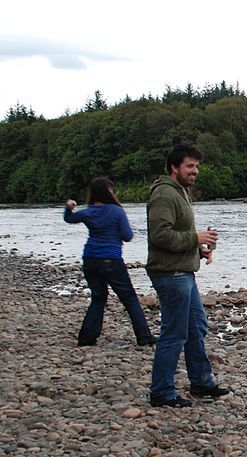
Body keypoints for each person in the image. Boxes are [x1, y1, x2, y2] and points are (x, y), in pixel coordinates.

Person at [146, 144, 230, 408]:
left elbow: (176, 236)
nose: (195, 171)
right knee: (174, 333)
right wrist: (196, 238)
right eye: (189, 166)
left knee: (196, 327)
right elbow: (159, 235)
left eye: (197, 166)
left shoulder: (180, 193)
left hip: (183, 272)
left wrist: (199, 250)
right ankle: (161, 392)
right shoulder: (164, 195)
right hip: (171, 275)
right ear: (175, 167)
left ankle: (201, 383)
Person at [64, 177, 155, 347]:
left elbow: (69, 219)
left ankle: (87, 337)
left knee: (98, 298)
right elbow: (128, 236)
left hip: (90, 258)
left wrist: (68, 208)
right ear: (108, 192)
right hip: (111, 259)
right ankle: (144, 336)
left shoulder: (87, 212)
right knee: (129, 298)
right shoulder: (116, 211)